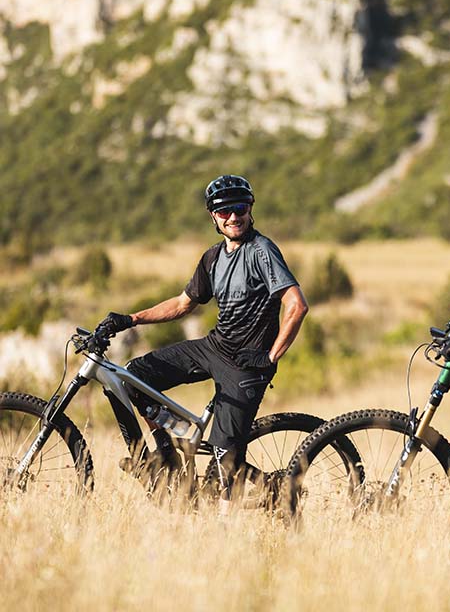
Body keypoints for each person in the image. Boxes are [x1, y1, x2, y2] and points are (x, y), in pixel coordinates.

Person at [99, 175, 308, 511]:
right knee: (135, 377)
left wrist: (270, 357)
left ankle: (275, 492)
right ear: (213, 217)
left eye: (239, 208)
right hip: (215, 347)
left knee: (226, 461)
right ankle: (166, 463)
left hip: (246, 364)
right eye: (224, 211)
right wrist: (131, 319)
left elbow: (296, 306)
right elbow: (183, 305)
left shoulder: (262, 251)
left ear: (250, 209)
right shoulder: (212, 258)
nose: (233, 217)